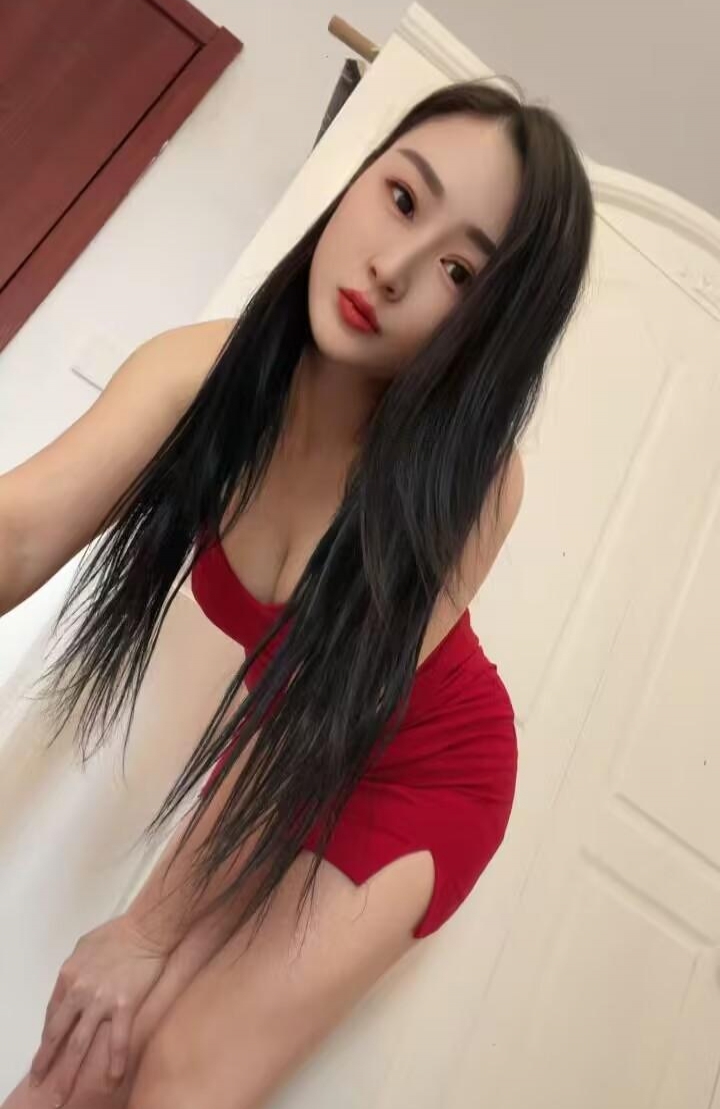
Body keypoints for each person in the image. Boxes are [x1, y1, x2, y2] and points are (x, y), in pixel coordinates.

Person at [0, 80, 593, 1109]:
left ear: (490, 330)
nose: (394, 267)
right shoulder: (199, 374)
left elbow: (316, 717)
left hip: (417, 774)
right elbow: (19, 530)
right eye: (402, 199)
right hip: (284, 747)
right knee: (90, 1058)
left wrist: (145, 933)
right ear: (360, 178)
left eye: (459, 270)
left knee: (181, 1066)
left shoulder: (475, 485)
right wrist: (141, 949)